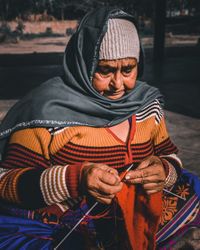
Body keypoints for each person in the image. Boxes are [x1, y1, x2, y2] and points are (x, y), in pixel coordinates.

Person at [0, 7, 199, 250]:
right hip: (68, 224)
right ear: (83, 63)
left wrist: (164, 170)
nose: (118, 84)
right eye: (104, 70)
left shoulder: (148, 104)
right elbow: (6, 182)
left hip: (134, 212)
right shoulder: (46, 112)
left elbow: (169, 154)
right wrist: (75, 179)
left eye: (128, 69)